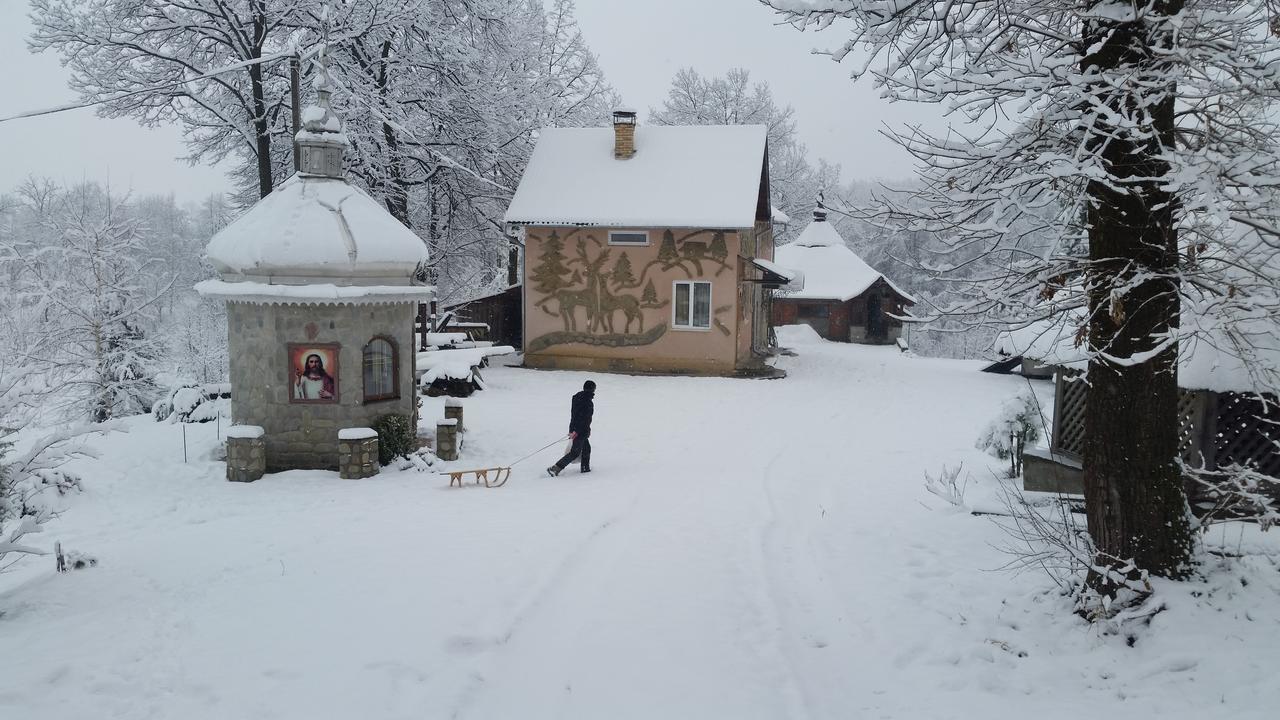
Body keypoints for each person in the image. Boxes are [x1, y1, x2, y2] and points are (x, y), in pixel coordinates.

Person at [547, 380, 594, 476]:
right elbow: (584, 419)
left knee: (586, 449)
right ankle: (555, 468)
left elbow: (574, 415)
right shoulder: (587, 402)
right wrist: (577, 431)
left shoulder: (577, 398)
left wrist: (572, 429)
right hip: (580, 431)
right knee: (575, 453)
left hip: (577, 428)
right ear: (592, 389)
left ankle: (585, 468)